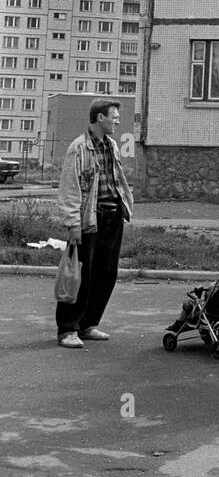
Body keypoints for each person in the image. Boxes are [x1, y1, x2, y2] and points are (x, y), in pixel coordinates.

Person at [55, 100, 134, 349]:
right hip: (89, 219)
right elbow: (69, 187)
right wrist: (72, 223)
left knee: (106, 273)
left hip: (112, 217)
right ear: (100, 118)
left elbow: (116, 179)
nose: (118, 121)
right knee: (81, 275)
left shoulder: (111, 146)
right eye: (114, 117)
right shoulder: (79, 148)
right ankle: (68, 329)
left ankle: (89, 324)